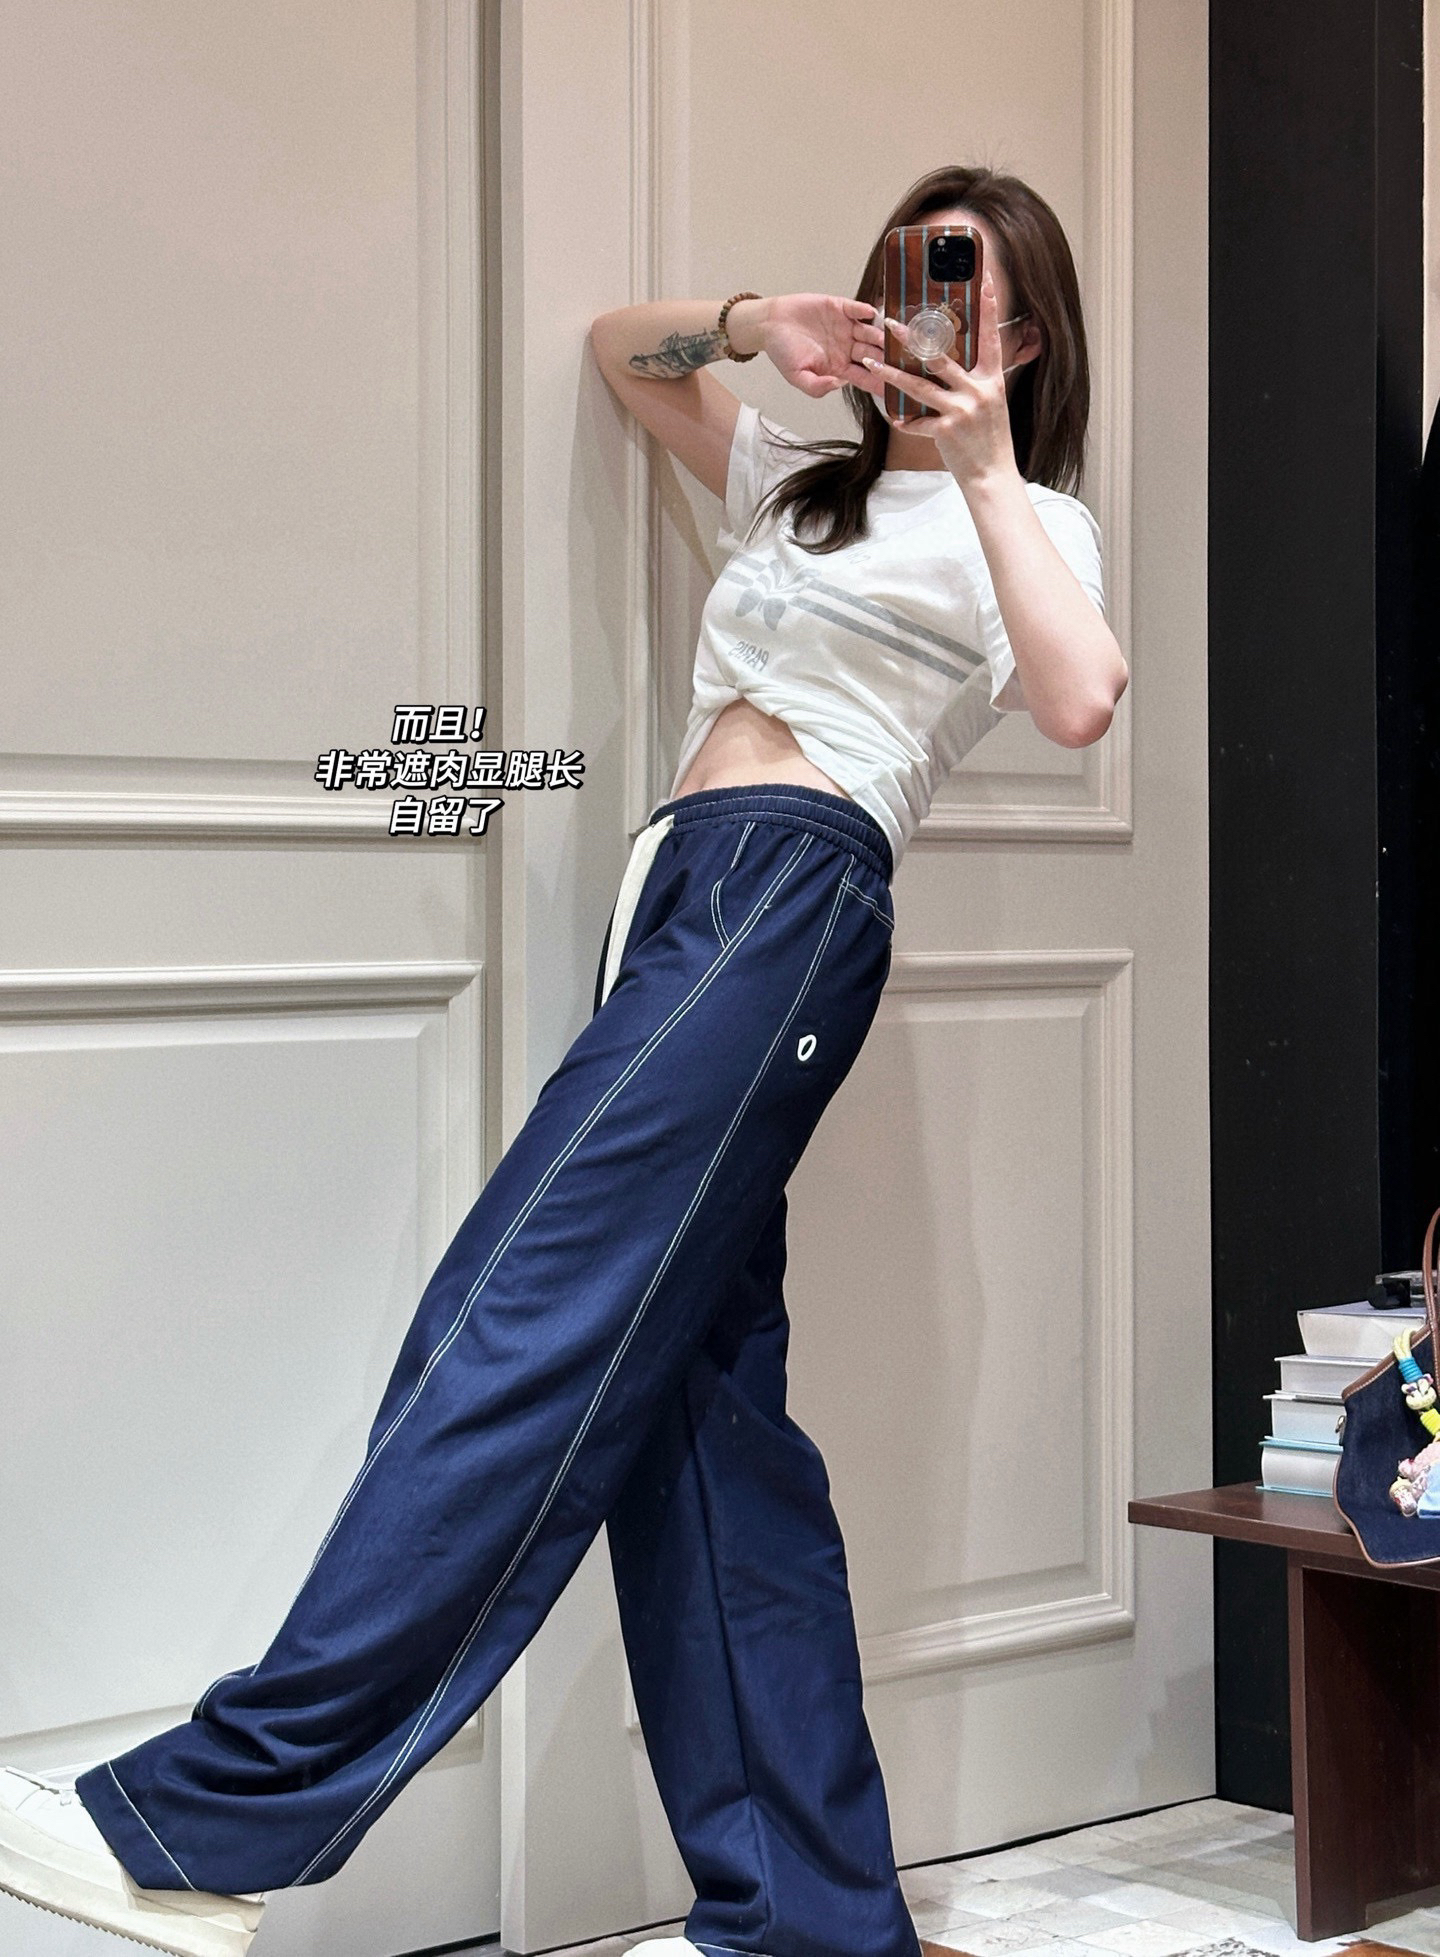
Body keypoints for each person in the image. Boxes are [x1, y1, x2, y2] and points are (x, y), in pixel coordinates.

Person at [0, 164, 1126, 1957]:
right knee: (704, 1425)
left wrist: (985, 463)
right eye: (904, 276)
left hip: (792, 894)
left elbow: (1078, 697)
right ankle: (816, 1921)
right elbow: (621, 354)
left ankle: (215, 1823)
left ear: (1027, 334)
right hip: (677, 894)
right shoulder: (802, 486)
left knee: (517, 1316)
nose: (925, 311)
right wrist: (760, 326)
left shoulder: (1032, 523)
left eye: (963, 289)